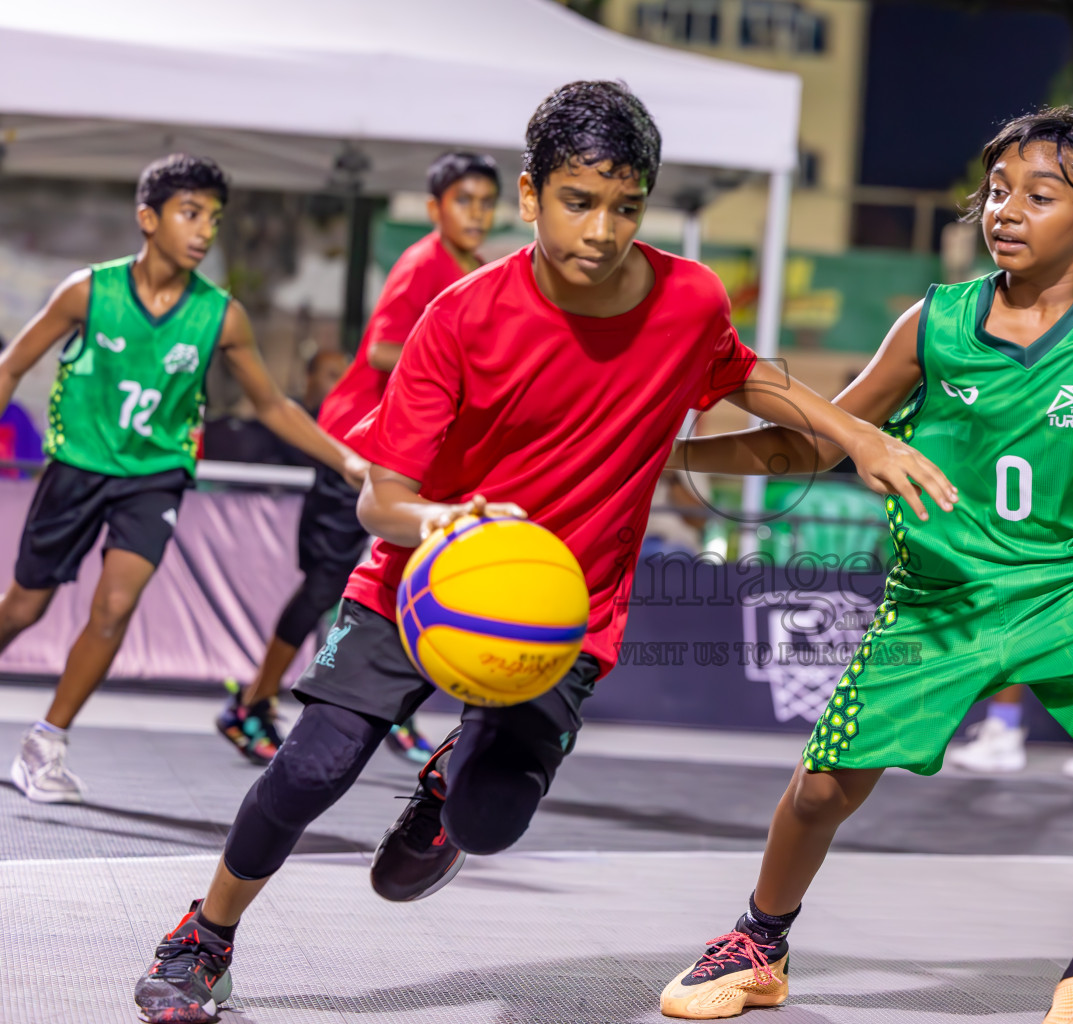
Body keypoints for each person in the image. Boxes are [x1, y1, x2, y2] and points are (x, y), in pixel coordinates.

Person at [132, 81, 953, 1024]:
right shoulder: (460, 316)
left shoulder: (688, 300)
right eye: (578, 201)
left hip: (565, 610)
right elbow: (381, 498)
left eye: (626, 206)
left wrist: (858, 435)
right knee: (315, 764)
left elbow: (751, 378)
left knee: (490, 820)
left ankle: (449, 784)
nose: (603, 230)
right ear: (530, 195)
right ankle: (205, 938)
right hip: (424, 581)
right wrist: (444, 524)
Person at [658, 107, 1073, 1023]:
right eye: (997, 193)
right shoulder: (934, 322)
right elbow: (812, 447)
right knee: (819, 793)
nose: (1005, 211)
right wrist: (665, 449)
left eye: (1038, 196)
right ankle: (758, 942)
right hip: (941, 596)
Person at [1, 155, 365, 806]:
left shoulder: (221, 316)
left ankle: (45, 744)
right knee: (24, 608)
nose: (204, 231)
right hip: (78, 464)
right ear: (149, 218)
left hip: (154, 476)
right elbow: (10, 367)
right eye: (190, 214)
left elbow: (273, 405)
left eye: (214, 219)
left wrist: (345, 458)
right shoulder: (89, 291)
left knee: (115, 606)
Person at [214, 152, 502, 767]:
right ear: (434, 209)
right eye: (463, 200)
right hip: (356, 442)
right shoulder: (424, 261)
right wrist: (467, 373)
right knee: (325, 582)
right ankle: (252, 704)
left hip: (412, 451)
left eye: (485, 201)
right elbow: (381, 352)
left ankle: (391, 706)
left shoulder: (475, 267)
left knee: (415, 581)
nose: (476, 213)